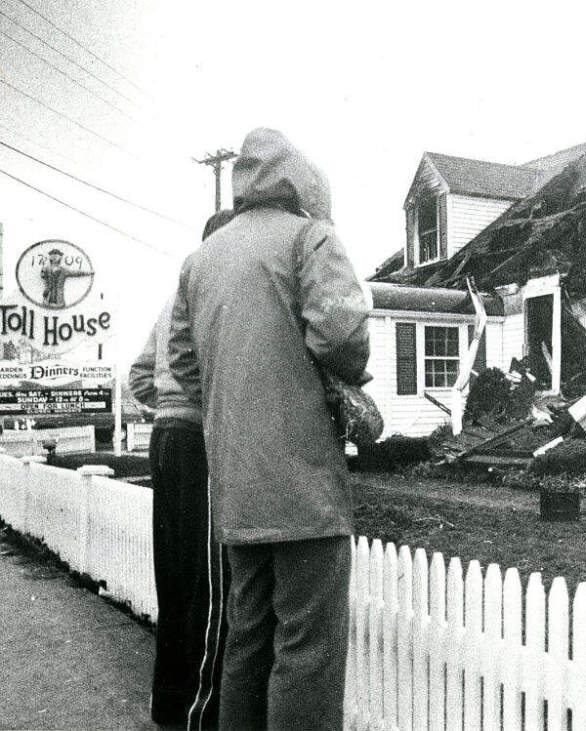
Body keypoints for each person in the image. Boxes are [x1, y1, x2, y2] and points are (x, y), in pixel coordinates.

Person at [168, 128, 370, 730]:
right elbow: (342, 337)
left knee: (246, 638)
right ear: (300, 183)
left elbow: (181, 363)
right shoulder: (310, 238)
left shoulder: (199, 260)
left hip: (236, 487)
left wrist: (233, 404)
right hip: (305, 485)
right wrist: (342, 381)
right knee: (306, 650)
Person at [130, 208, 234, 730]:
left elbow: (138, 377)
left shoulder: (173, 297)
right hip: (197, 439)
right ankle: (201, 711)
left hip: (164, 439)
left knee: (172, 575)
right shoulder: (214, 296)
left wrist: (164, 406)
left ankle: (167, 704)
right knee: (206, 583)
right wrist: (199, 407)